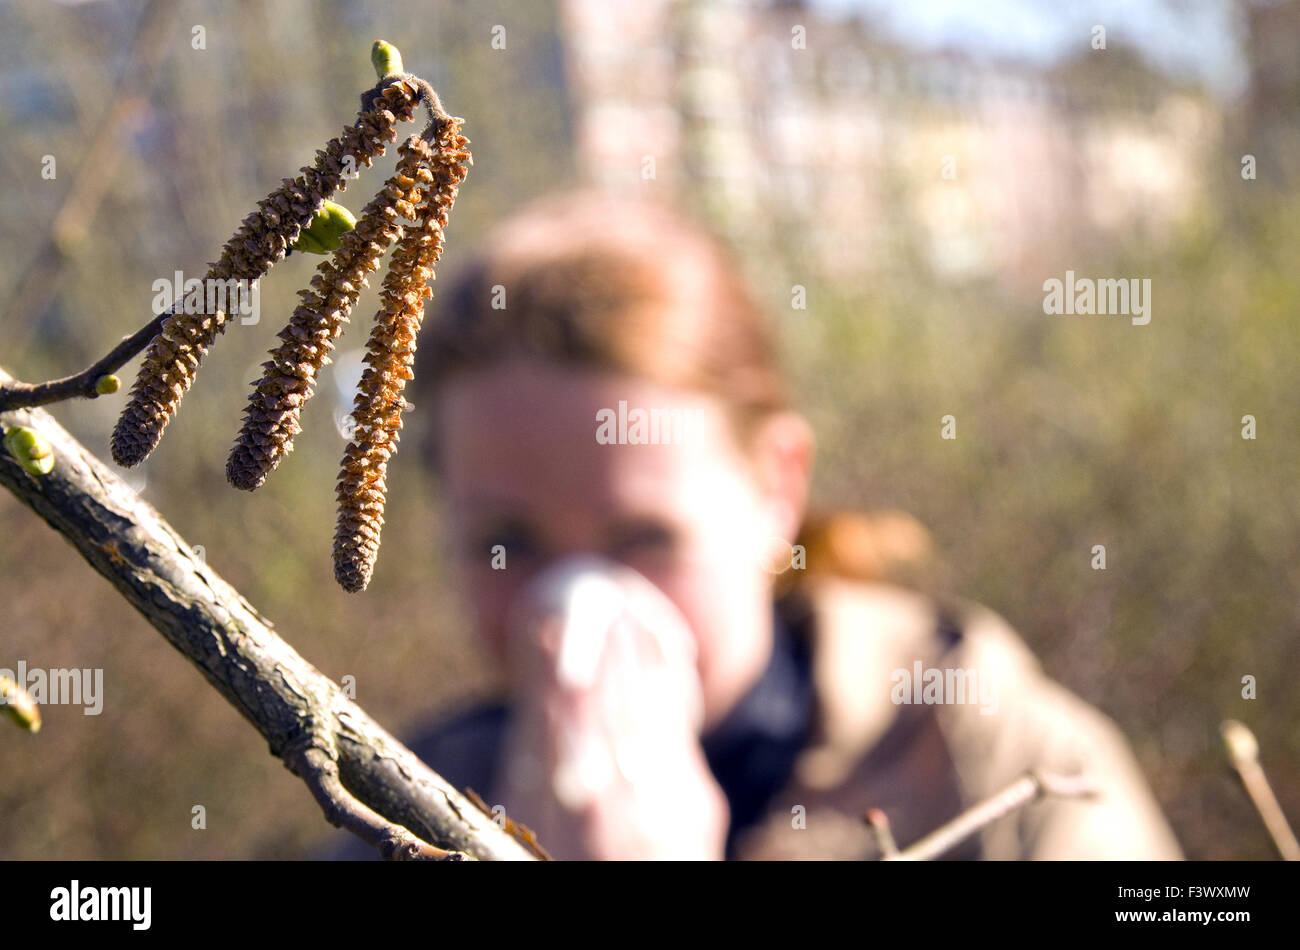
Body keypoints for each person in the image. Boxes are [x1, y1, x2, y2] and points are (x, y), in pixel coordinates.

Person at [337, 190, 1183, 860]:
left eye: (646, 537)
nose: (573, 611)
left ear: (775, 491)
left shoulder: (1004, 769)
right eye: (510, 544)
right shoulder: (394, 812)